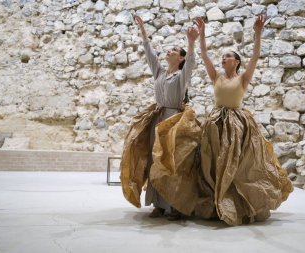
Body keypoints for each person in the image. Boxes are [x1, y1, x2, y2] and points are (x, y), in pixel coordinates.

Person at [195, 16, 293, 225]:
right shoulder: (216, 78)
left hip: (237, 124)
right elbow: (203, 55)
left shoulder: (243, 78)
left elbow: (256, 57)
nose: (223, 59)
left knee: (236, 166)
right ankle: (217, 203)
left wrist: (258, 33)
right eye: (222, 57)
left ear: (237, 62)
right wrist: (202, 32)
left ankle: (236, 203)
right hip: (215, 124)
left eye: (227, 57)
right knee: (214, 163)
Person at [120, 15, 201, 220]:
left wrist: (191, 42)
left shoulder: (182, 76)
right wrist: (143, 29)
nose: (169, 51)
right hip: (158, 118)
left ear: (180, 58)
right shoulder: (159, 73)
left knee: (172, 162)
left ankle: (174, 205)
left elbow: (191, 62)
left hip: (174, 121)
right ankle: (158, 204)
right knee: (154, 161)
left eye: (174, 50)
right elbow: (149, 54)